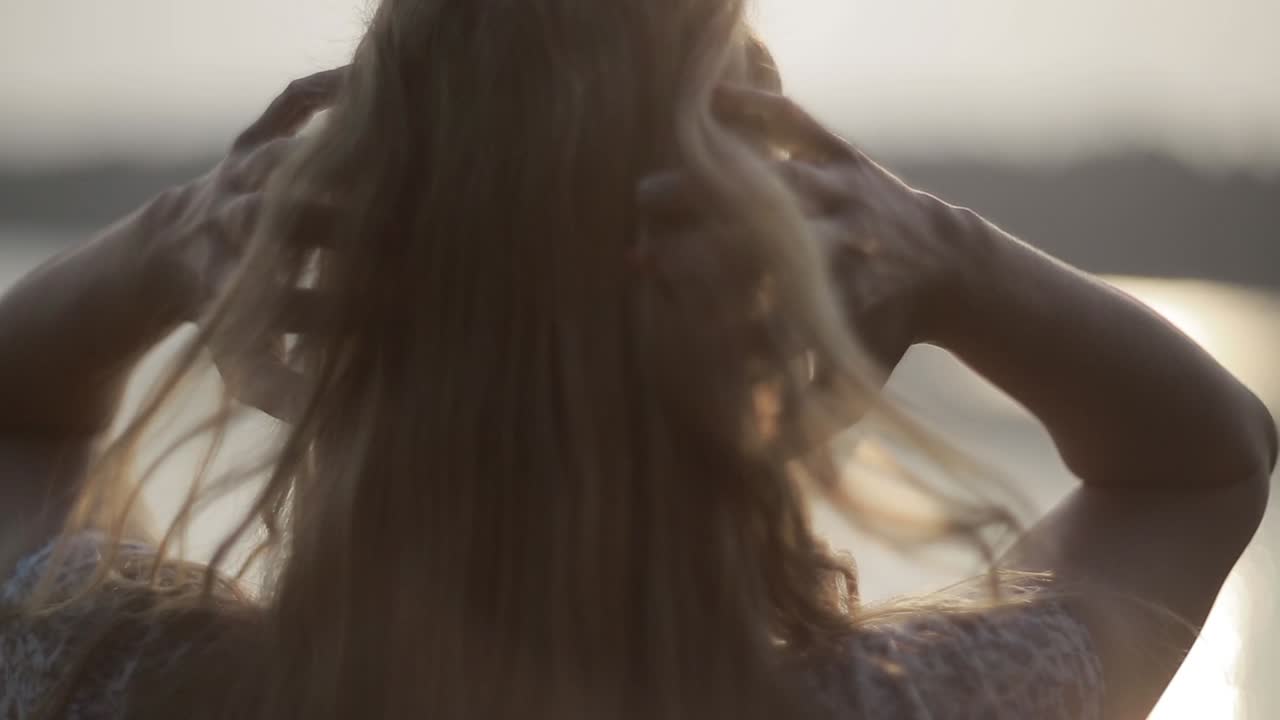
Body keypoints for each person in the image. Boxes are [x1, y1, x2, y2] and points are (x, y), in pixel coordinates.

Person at [0, 1, 1274, 718]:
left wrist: (172, 244)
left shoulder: (132, 680)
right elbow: (1196, 466)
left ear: (345, 322)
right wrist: (938, 253)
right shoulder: (908, 708)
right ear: (763, 335)